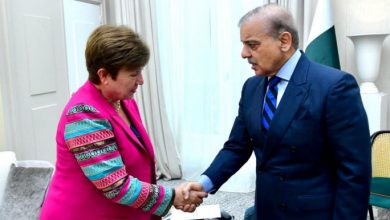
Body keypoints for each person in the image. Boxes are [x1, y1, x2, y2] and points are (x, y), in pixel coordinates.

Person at [183, 4, 371, 220]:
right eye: (244, 45)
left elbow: (354, 172)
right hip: (266, 209)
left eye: (252, 45)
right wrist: (204, 183)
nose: (244, 54)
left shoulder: (334, 86)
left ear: (284, 41)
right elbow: (237, 147)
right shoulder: (251, 87)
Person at [40, 25, 206, 220]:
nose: (141, 80)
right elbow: (115, 185)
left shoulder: (123, 100)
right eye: (134, 73)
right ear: (104, 75)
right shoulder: (83, 114)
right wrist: (172, 197)